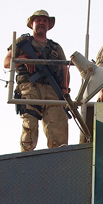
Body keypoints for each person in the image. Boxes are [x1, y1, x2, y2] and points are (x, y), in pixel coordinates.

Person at [3, 10, 69, 152]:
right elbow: (7, 62)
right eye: (38, 20)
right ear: (32, 24)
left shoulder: (55, 48)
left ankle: (57, 165)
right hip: (30, 87)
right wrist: (24, 59)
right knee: (29, 127)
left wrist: (65, 89)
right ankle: (26, 163)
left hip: (52, 89)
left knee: (58, 130)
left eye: (44, 21)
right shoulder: (23, 42)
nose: (41, 23)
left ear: (48, 25)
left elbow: (65, 69)